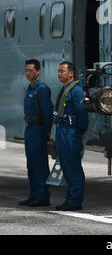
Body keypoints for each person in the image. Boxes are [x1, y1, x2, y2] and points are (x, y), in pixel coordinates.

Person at [54, 61, 88, 211]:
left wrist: (79, 130)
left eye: (62, 71)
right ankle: (70, 198)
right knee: (66, 166)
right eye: (59, 71)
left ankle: (75, 200)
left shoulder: (76, 91)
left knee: (73, 167)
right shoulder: (65, 89)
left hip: (70, 131)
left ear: (71, 73)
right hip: (62, 130)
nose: (59, 73)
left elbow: (82, 113)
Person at [21, 59, 53, 207]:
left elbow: (47, 112)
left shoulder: (41, 89)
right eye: (26, 70)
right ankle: (33, 194)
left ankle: (43, 196)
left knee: (40, 164)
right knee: (31, 164)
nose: (28, 73)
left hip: (38, 129)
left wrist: (47, 132)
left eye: (30, 71)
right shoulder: (30, 88)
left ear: (38, 71)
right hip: (29, 128)